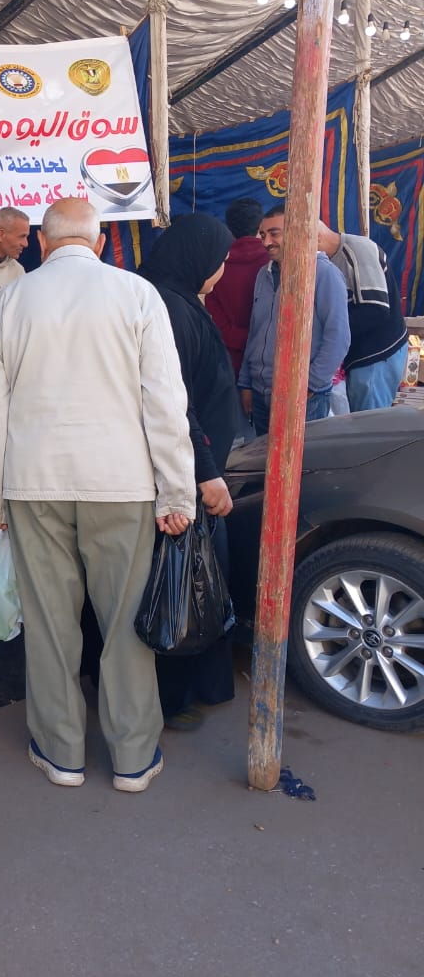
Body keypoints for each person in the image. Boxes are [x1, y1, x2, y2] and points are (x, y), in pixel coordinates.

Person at [0, 197, 195, 793]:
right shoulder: (136, 294)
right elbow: (165, 403)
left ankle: (61, 752)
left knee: (50, 625)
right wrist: (177, 493)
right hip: (122, 483)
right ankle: (133, 759)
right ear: (99, 243)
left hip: (32, 483)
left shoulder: (11, 301)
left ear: (43, 243)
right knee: (125, 624)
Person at [139, 213, 239, 731]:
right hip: (183, 472)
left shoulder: (174, 300)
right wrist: (204, 473)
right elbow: (175, 404)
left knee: (194, 576)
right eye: (220, 261)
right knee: (180, 581)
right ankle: (170, 698)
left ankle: (193, 688)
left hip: (190, 465)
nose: (222, 272)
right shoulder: (170, 309)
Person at [238, 205, 350, 435]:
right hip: (261, 393)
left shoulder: (324, 274)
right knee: (261, 456)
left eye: (274, 234)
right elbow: (256, 331)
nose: (266, 242)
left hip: (303, 398)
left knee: (304, 458)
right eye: (262, 234)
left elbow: (338, 337)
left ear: (296, 231)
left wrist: (311, 384)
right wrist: (246, 382)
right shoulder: (263, 274)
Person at [316, 219, 408, 411]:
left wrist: (328, 331)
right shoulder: (329, 260)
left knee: (369, 423)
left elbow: (376, 310)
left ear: (315, 238)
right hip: (361, 357)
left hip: (376, 355)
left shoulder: (358, 250)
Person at [205, 198, 269, 378]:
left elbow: (218, 324)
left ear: (229, 229)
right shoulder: (273, 262)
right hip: (269, 359)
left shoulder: (216, 267)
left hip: (231, 362)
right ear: (260, 227)